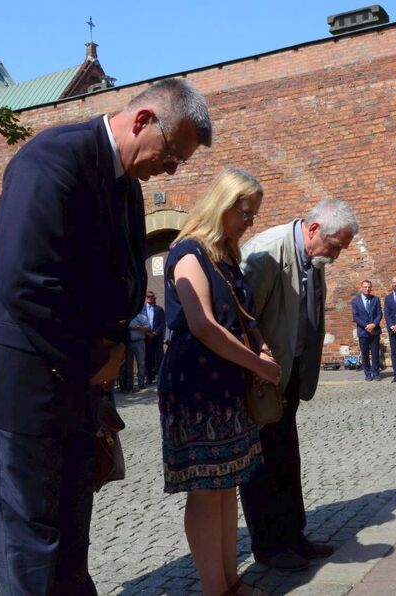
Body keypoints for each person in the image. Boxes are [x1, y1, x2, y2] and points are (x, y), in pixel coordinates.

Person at [0, 78, 212, 594]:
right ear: (143, 120)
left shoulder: (126, 185)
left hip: (75, 387)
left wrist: (113, 347)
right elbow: (26, 286)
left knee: (71, 541)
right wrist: (94, 356)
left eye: (179, 163)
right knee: (33, 548)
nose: (172, 169)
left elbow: (125, 276)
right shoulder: (52, 161)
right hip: (23, 389)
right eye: (172, 154)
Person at [158, 168, 277, 596]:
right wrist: (257, 364)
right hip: (196, 389)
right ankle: (216, 589)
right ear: (223, 206)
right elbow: (203, 326)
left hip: (227, 382)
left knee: (227, 486)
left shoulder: (226, 255)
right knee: (207, 490)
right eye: (246, 212)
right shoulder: (189, 253)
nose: (251, 221)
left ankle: (231, 582)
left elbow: (243, 315)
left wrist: (260, 349)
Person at [239, 199, 358, 571]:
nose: (336, 256)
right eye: (335, 246)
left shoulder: (313, 257)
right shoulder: (267, 252)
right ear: (313, 230)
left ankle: (293, 535)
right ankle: (269, 546)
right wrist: (259, 365)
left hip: (289, 377)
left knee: (287, 458)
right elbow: (242, 317)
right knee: (262, 463)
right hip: (264, 377)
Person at [351, 280, 383, 381]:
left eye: (369, 287)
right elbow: (355, 316)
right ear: (361, 288)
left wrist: (373, 324)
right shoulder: (355, 301)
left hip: (374, 330)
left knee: (375, 353)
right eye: (365, 287)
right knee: (364, 354)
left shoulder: (376, 299)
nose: (367, 289)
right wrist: (366, 326)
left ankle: (376, 373)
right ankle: (368, 374)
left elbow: (379, 314)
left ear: (371, 288)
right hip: (363, 331)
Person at [144, 292, 166, 383]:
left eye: (151, 297)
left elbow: (162, 323)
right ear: (145, 298)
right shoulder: (142, 310)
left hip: (157, 337)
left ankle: (161, 376)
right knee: (148, 358)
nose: (150, 298)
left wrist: (155, 333)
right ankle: (149, 377)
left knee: (160, 356)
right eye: (148, 296)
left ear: (154, 298)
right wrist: (147, 333)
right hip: (146, 337)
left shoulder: (159, 310)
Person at [128, 309, 148, 390]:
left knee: (141, 364)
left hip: (139, 342)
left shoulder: (142, 317)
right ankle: (129, 385)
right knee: (129, 365)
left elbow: (147, 328)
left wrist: (137, 327)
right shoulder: (127, 318)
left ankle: (141, 383)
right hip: (129, 343)